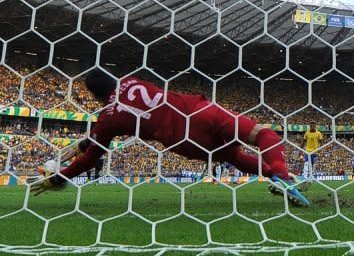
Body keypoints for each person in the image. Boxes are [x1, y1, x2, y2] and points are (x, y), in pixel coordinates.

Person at [29, 68, 310, 206]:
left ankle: (282, 180)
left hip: (185, 141)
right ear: (113, 78)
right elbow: (131, 107)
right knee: (263, 134)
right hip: (198, 111)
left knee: (235, 156)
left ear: (94, 96)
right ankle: (284, 178)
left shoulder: (107, 119)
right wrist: (86, 141)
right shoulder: (132, 80)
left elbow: (94, 155)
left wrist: (60, 177)